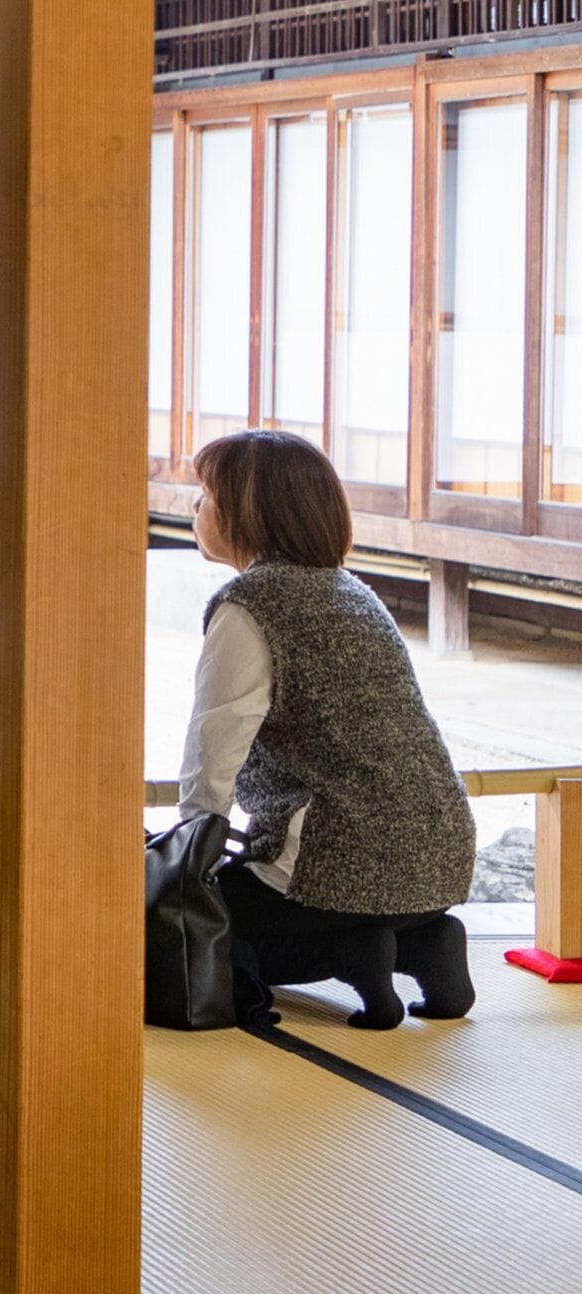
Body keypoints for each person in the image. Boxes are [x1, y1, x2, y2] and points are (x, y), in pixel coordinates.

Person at [179, 429, 478, 1029]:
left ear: (247, 514)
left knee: (198, 926)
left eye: (205, 495)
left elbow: (214, 748)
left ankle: (352, 952)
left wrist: (189, 858)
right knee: (372, 908)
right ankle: (427, 943)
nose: (194, 508)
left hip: (338, 858)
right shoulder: (354, 592)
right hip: (440, 854)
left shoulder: (250, 604)